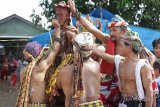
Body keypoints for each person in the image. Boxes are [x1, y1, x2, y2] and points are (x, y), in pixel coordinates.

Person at [68, 0, 128, 106]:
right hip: (104, 84)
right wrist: (75, 12)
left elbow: (114, 59)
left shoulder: (130, 46)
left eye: (114, 30)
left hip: (123, 87)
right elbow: (91, 29)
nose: (111, 33)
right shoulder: (108, 39)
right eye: (110, 30)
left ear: (123, 32)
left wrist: (92, 49)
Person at [93, 32, 153, 107]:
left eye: (120, 45)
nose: (118, 48)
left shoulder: (142, 66)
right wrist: (88, 45)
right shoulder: (119, 61)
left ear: (130, 47)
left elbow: (149, 90)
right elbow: (102, 55)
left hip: (138, 104)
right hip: (123, 102)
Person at [16, 19, 61, 107]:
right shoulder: (41, 67)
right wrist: (58, 28)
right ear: (40, 54)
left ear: (25, 56)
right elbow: (56, 49)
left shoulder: (22, 72)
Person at [56, 32, 103, 107]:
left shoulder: (63, 71)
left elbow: (58, 86)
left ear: (74, 49)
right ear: (91, 50)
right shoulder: (96, 66)